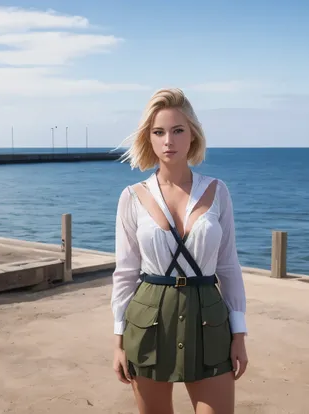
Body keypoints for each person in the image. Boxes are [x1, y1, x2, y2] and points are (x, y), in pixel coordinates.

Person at [111, 87, 248, 414]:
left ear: (193, 136)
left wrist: (239, 333)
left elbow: (228, 268)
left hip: (209, 320)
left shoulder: (217, 192)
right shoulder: (132, 197)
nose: (168, 140)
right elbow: (126, 273)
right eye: (159, 132)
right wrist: (117, 340)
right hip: (147, 320)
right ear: (150, 138)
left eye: (177, 130)